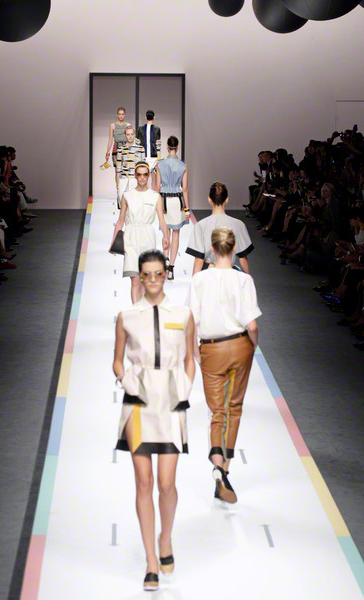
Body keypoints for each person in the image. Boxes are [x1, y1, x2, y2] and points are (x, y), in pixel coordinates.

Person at [113, 249, 195, 591]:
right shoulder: (127, 316)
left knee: (166, 483)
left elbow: (191, 357)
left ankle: (166, 538)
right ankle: (150, 561)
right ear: (141, 276)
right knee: (144, 482)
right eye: (146, 274)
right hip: (138, 401)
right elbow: (117, 359)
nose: (152, 280)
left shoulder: (184, 314)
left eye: (158, 273)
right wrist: (126, 380)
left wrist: (186, 385)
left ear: (166, 275)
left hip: (172, 399)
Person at [189, 227, 261, 503]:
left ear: (212, 248)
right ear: (233, 249)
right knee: (234, 408)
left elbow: (191, 321)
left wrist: (194, 351)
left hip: (211, 347)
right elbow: (252, 325)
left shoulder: (199, 280)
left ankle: (217, 464)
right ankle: (224, 469)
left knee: (216, 412)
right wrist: (252, 346)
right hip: (240, 345)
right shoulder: (244, 280)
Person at [110, 161, 169, 303]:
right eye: (139, 174)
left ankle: (142, 308)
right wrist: (113, 241)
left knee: (144, 279)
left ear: (148, 175)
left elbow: (162, 220)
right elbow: (121, 220)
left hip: (148, 237)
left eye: (145, 174)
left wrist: (166, 237)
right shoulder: (127, 195)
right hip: (130, 237)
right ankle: (136, 311)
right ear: (135, 175)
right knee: (135, 280)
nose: (142, 177)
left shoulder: (155, 196)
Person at [186, 181, 253, 274]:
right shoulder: (238, 224)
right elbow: (243, 258)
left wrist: (195, 281)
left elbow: (199, 260)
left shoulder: (201, 225)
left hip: (208, 272)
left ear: (209, 200)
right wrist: (247, 279)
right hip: (229, 273)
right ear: (227, 200)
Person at [156, 136, 190, 280]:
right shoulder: (183, 165)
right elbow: (185, 189)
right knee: (176, 234)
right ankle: (171, 268)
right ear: (178, 147)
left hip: (164, 201)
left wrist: (155, 205)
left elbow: (157, 187)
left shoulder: (160, 164)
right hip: (177, 201)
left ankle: (165, 261)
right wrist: (187, 209)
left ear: (167, 147)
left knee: (166, 234)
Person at [115, 126, 145, 209]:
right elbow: (118, 169)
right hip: (123, 181)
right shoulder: (120, 150)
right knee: (123, 208)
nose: (130, 136)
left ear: (134, 134)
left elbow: (143, 168)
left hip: (135, 181)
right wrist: (117, 185)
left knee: (135, 208)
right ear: (125, 135)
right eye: (128, 134)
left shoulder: (140, 149)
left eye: (132, 134)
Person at [136, 110, 161, 188]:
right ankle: (152, 194)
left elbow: (137, 144)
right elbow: (158, 145)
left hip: (143, 156)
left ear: (145, 117)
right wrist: (159, 159)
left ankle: (144, 193)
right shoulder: (157, 129)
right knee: (154, 178)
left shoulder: (140, 129)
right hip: (154, 157)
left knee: (143, 177)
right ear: (154, 117)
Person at [105, 107, 131, 178]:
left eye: (122, 114)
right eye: (119, 114)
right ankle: (118, 185)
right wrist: (107, 153)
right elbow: (110, 139)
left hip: (126, 148)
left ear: (125, 115)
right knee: (117, 170)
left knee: (125, 170)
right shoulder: (112, 125)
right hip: (116, 148)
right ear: (117, 115)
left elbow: (130, 139)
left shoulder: (128, 125)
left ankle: (124, 185)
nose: (121, 116)